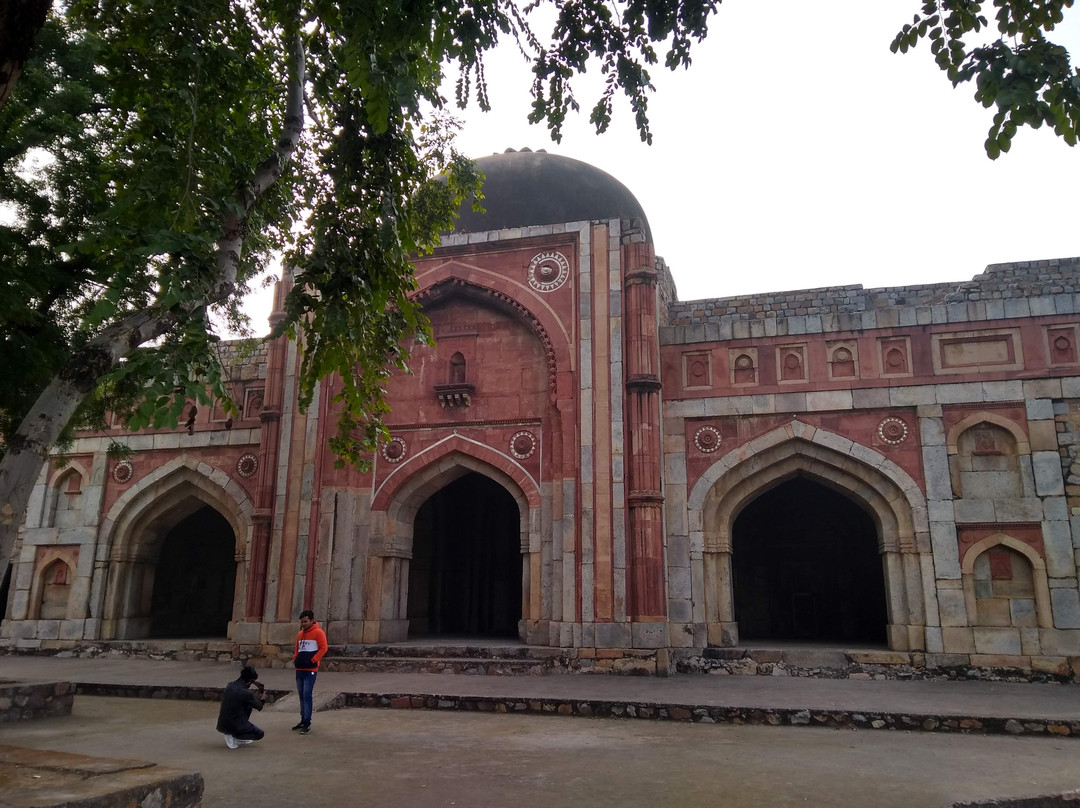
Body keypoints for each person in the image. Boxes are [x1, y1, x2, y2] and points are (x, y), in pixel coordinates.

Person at [292, 609, 327, 735]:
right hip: (300, 668)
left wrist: (314, 659)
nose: (303, 624)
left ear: (312, 621)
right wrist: (295, 658)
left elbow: (324, 647)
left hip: (310, 669)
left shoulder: (318, 632)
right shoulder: (300, 634)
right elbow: (297, 648)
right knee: (301, 695)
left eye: (306, 621)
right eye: (302, 622)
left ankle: (307, 721)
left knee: (307, 695)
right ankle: (302, 719)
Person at [216, 665, 265, 749]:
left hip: (222, 724)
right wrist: (262, 693)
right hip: (234, 724)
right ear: (251, 681)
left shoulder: (230, 685)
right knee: (259, 734)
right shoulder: (246, 693)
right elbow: (259, 706)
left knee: (247, 707)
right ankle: (234, 735)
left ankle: (235, 734)